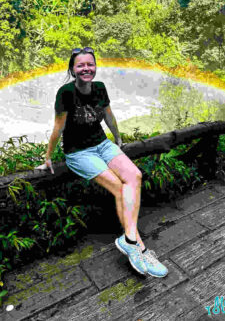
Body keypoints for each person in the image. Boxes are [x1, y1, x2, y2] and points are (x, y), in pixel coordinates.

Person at [36, 47, 168, 277]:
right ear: (72, 69)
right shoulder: (65, 93)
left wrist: (117, 137)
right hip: (79, 152)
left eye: (90, 64)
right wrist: (48, 156)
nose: (86, 69)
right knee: (119, 187)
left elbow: (108, 114)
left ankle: (129, 240)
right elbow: (59, 126)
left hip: (102, 144)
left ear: (95, 67)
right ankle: (140, 247)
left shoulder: (100, 88)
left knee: (134, 176)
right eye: (81, 65)